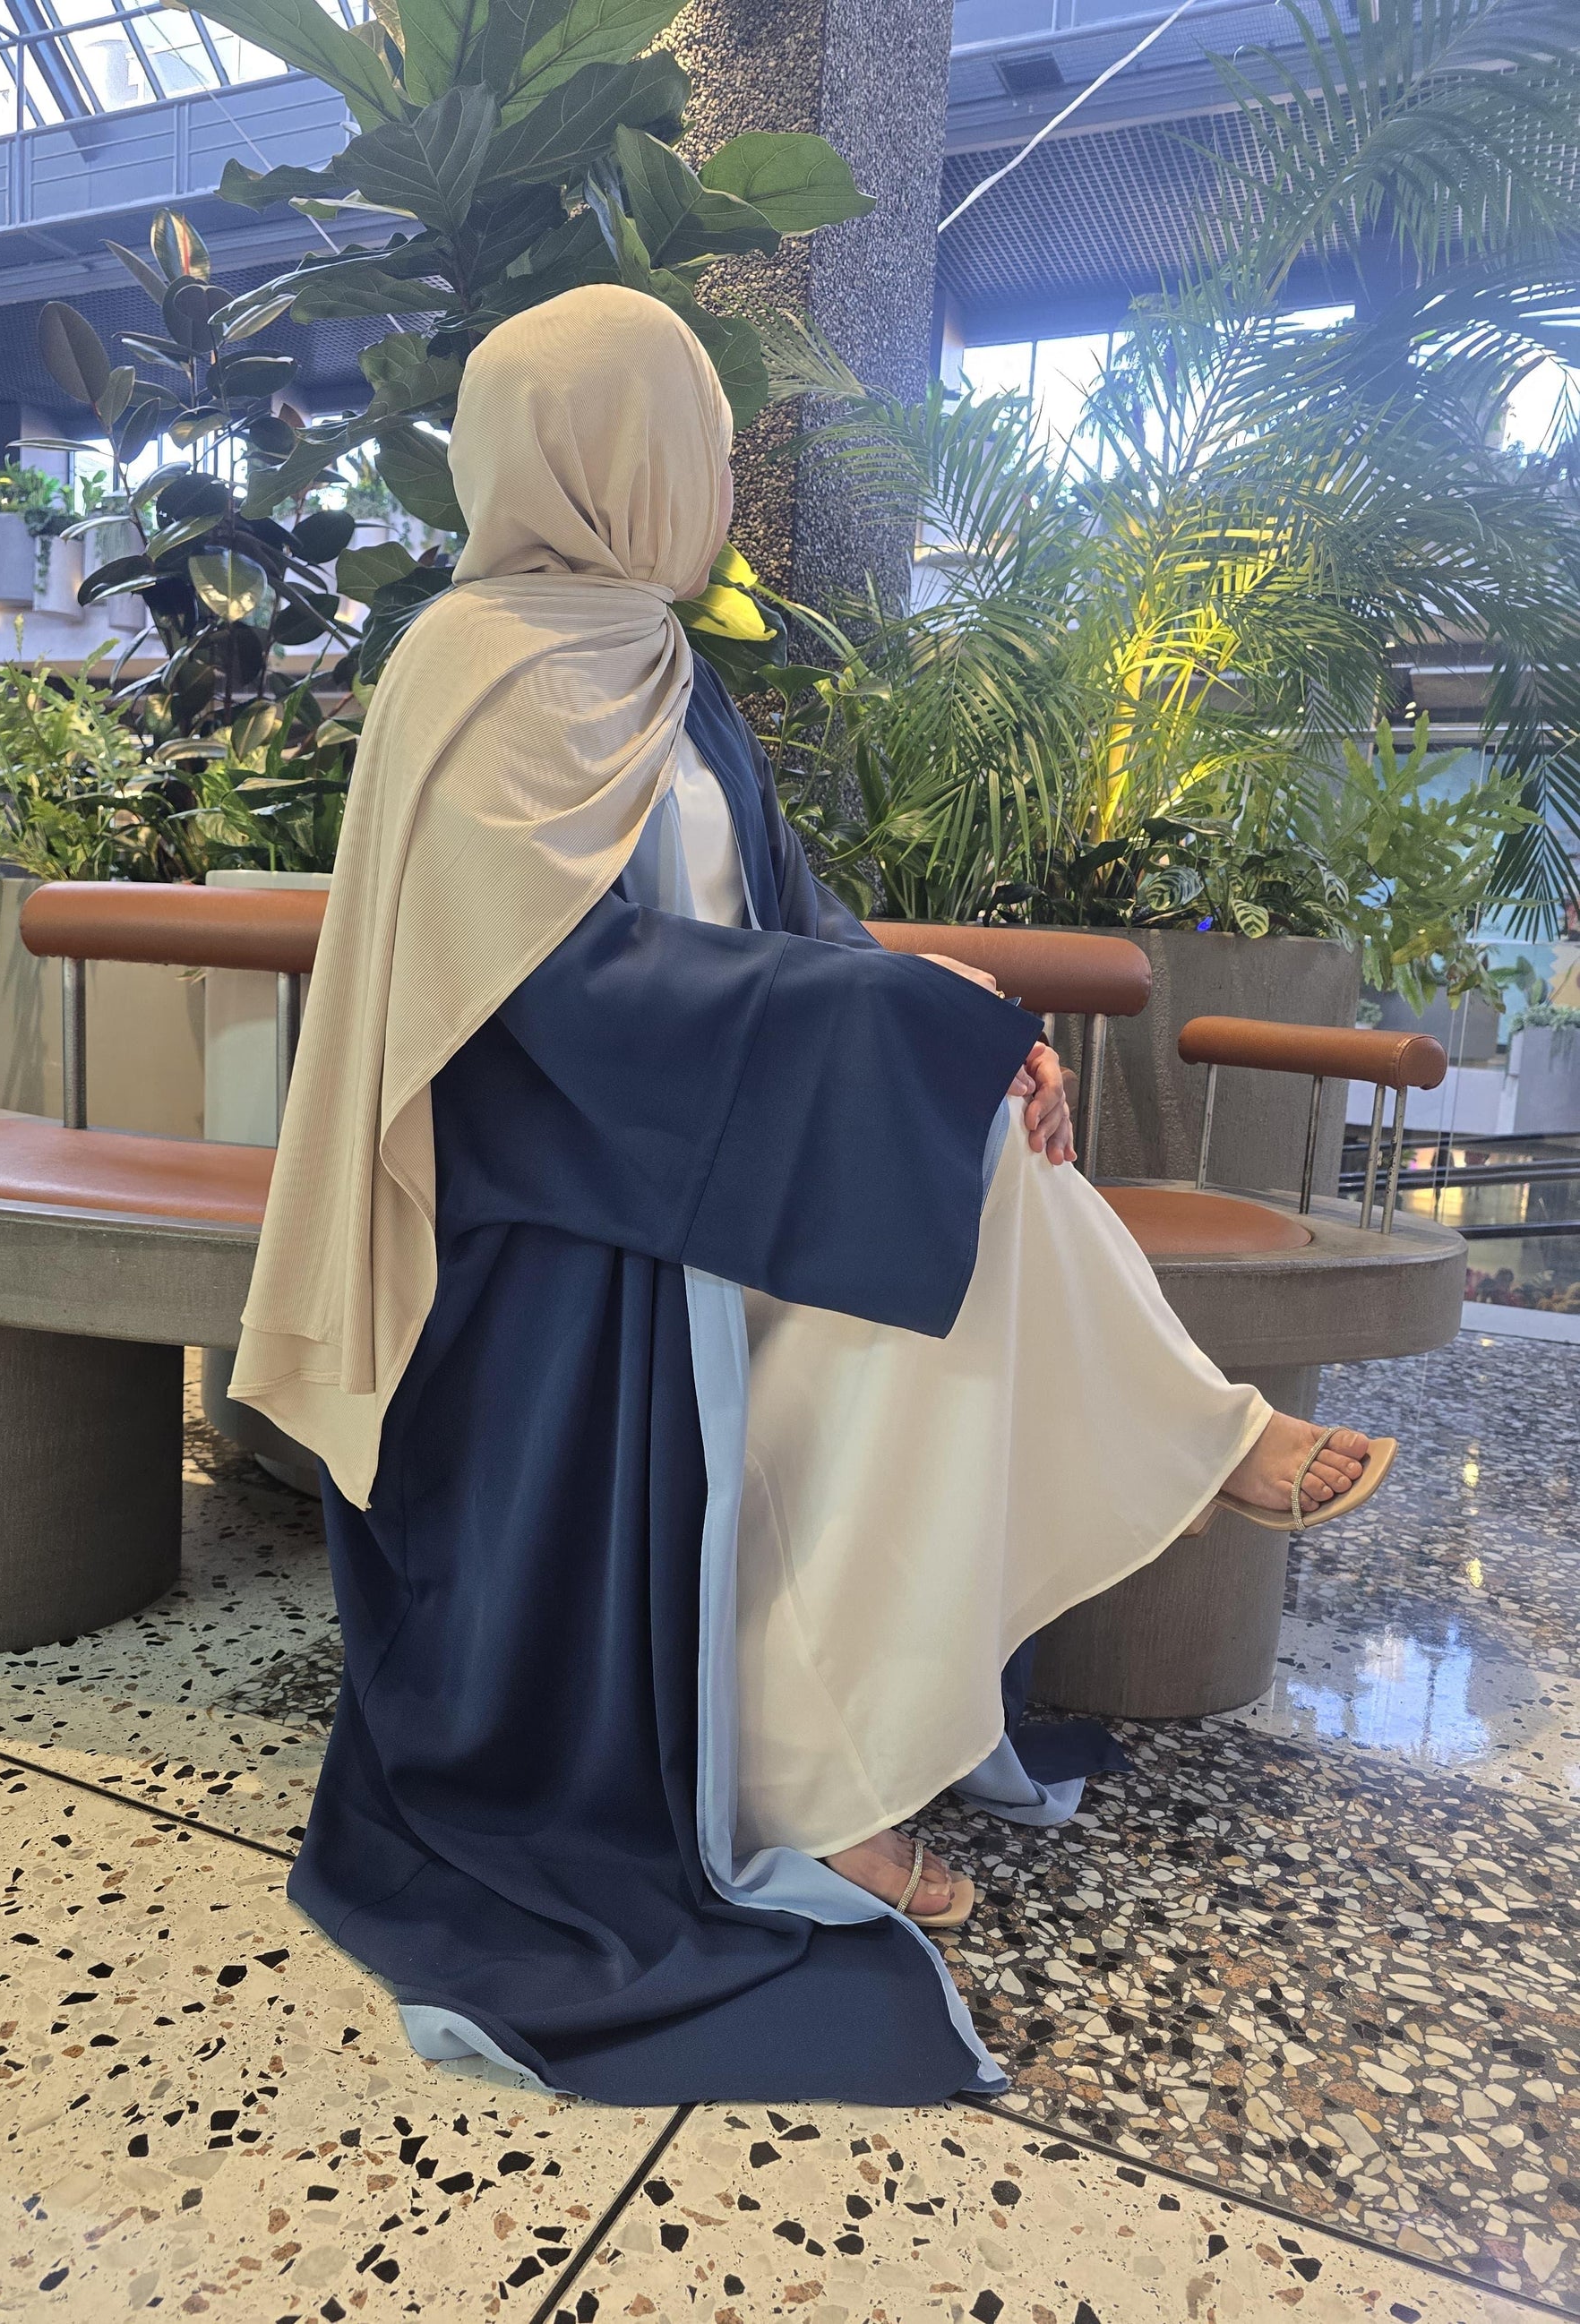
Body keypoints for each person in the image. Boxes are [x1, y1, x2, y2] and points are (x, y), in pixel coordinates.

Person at [229, 285, 1391, 2105]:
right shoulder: (478, 670)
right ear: (604, 457)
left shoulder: (660, 672)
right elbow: (554, 1004)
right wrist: (909, 1027)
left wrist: (960, 1036)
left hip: (704, 1148)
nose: (714, 483)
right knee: (938, 1234)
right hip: (551, 1216)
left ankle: (848, 1747)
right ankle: (1137, 1495)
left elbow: (795, 921)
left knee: (983, 1187)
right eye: (691, 441)